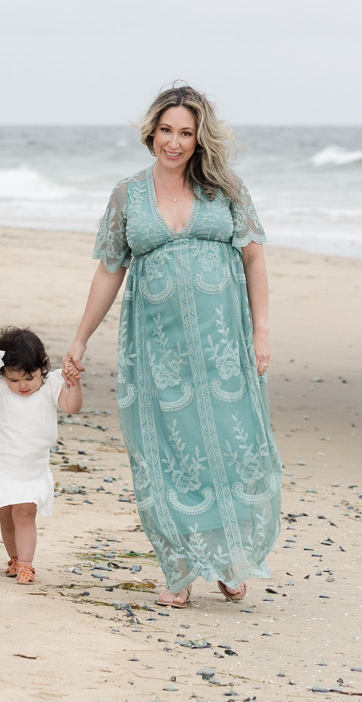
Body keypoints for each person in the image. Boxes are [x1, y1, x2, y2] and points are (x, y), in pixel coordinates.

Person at [63, 84, 281, 608]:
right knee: (169, 453)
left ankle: (231, 562)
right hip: (158, 352)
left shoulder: (225, 189)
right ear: (151, 132)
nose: (175, 142)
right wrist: (79, 337)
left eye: (186, 132)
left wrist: (261, 330)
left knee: (230, 447)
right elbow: (109, 269)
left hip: (223, 344)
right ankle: (180, 571)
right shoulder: (128, 195)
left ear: (200, 137)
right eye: (166, 130)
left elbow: (253, 259)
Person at [0, 325, 81, 584]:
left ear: (43, 366)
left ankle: (26, 564)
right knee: (5, 513)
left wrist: (75, 384)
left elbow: (71, 406)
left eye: (29, 378)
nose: (22, 385)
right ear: (3, 374)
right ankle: (14, 557)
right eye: (14, 380)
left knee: (24, 511)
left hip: (30, 468)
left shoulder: (51, 386)